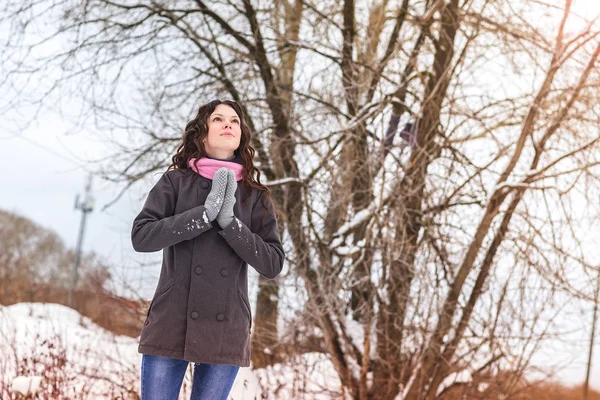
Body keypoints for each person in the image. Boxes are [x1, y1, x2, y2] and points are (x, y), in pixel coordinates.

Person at [131, 99, 286, 400]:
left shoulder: (255, 196)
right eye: (218, 119)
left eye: (235, 121)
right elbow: (142, 236)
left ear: (241, 136)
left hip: (226, 324)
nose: (228, 124)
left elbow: (273, 263)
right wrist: (202, 215)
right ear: (202, 134)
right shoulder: (175, 182)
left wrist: (230, 224)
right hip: (172, 319)